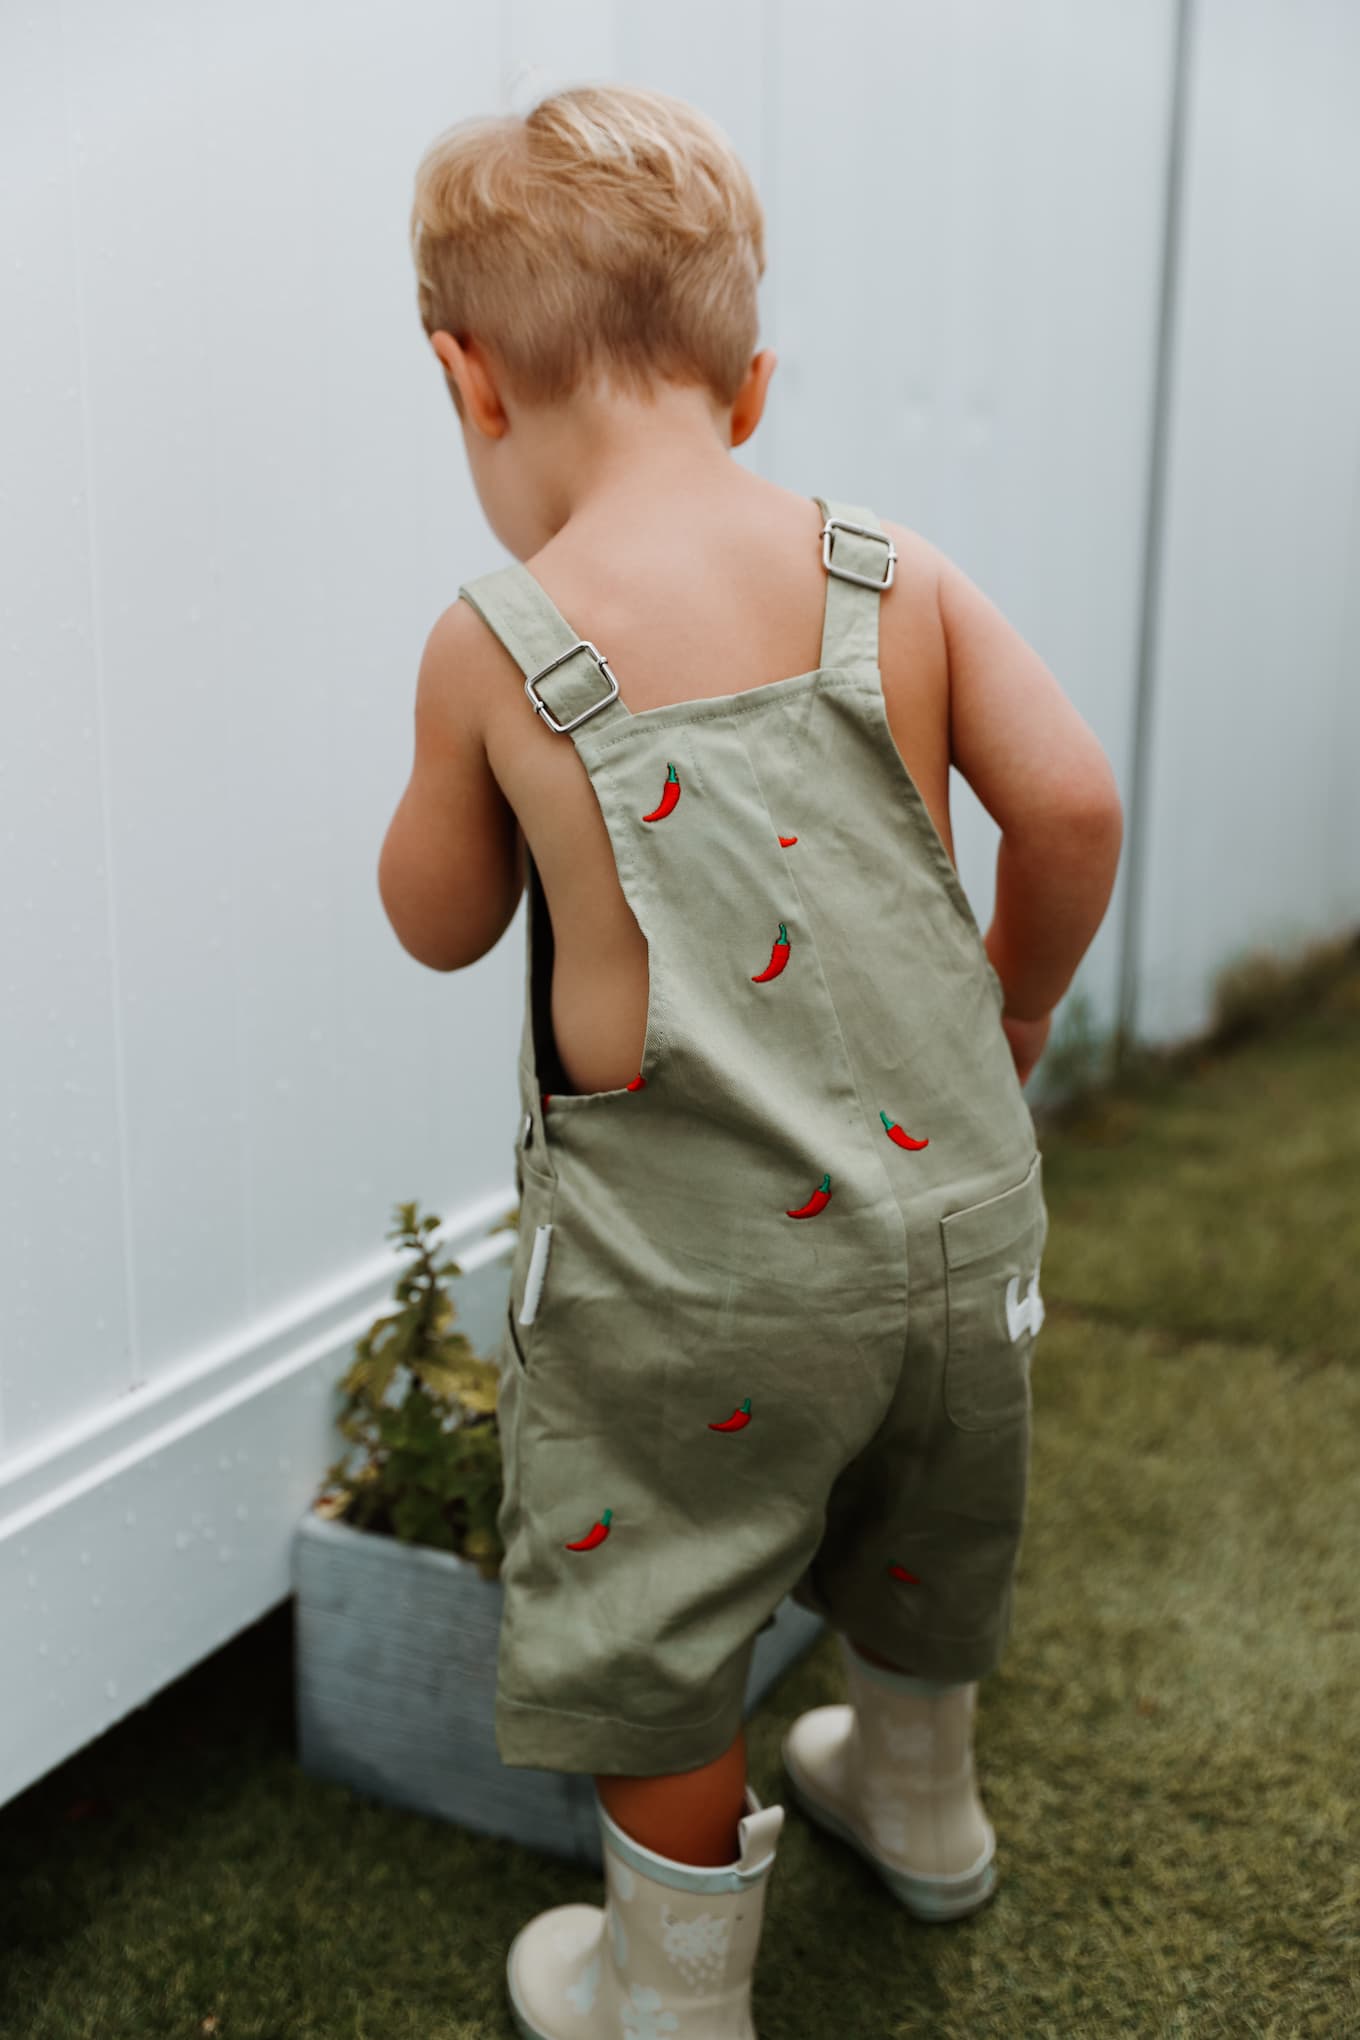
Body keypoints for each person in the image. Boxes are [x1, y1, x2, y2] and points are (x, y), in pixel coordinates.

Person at [381, 79, 1123, 2040]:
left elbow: (438, 919)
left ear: (469, 382)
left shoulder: (497, 640)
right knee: (927, 1514)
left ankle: (670, 1995)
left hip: (691, 1275)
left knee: (666, 1604)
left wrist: (459, 781)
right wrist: (1016, 1004)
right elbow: (1070, 809)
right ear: (752, 383)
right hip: (959, 1233)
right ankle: (919, 1805)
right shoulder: (893, 573)